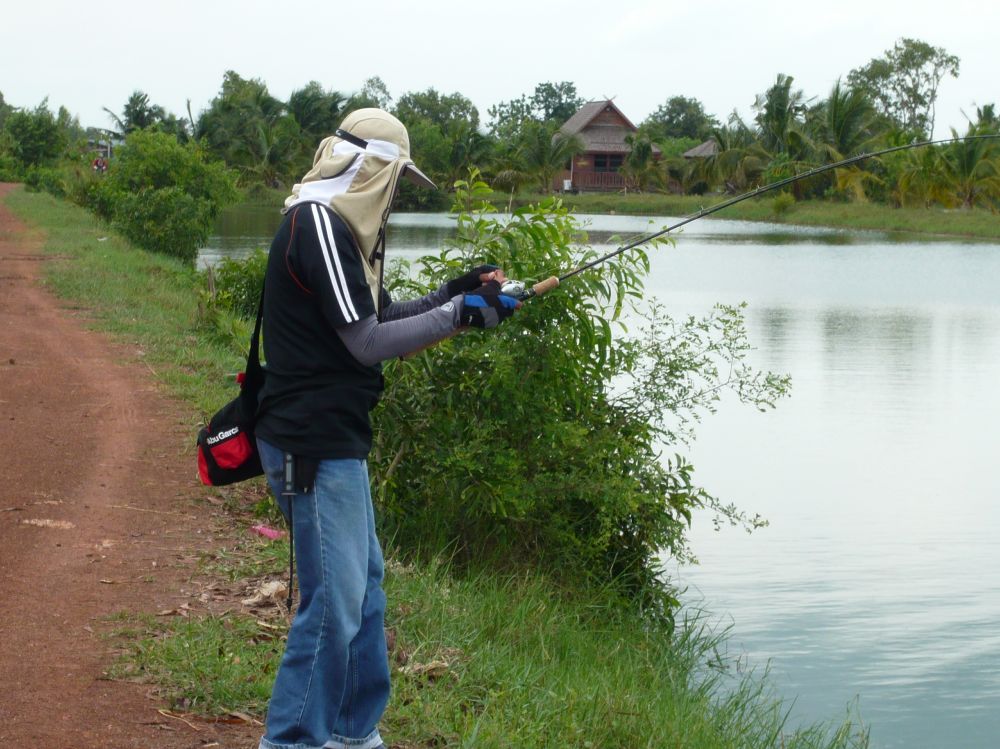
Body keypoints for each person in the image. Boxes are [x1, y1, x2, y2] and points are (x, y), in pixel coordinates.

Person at [253, 109, 520, 749]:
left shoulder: (338, 229)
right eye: (397, 179)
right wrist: (459, 315)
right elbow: (368, 343)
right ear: (372, 170)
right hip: (309, 441)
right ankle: (291, 741)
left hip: (336, 435)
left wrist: (452, 296)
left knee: (364, 590)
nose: (398, 194)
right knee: (333, 606)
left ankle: (352, 732)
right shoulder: (315, 225)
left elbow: (378, 318)